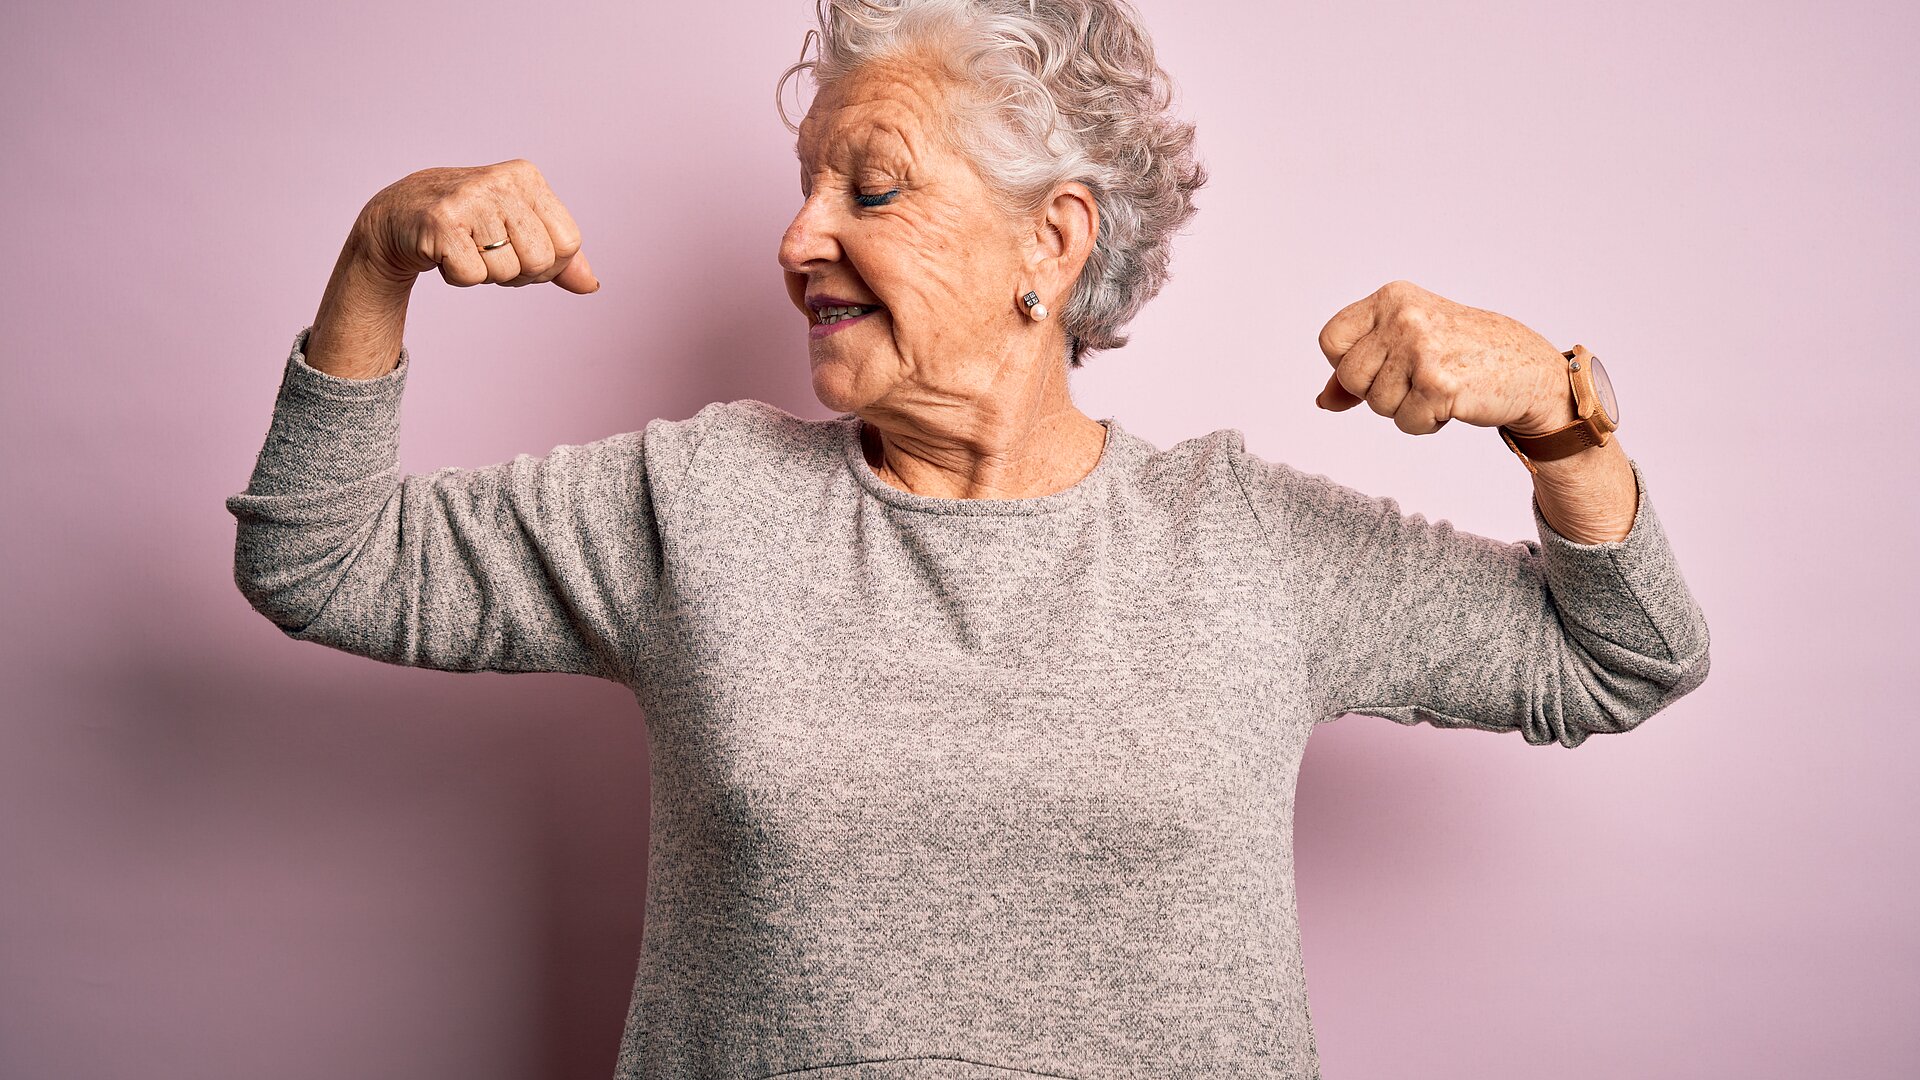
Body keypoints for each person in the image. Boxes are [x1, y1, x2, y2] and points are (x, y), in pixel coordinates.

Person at [224, 1, 1712, 1076]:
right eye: (803, 186)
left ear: (1050, 245)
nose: (800, 237)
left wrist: (1560, 419)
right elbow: (319, 557)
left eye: (869, 187)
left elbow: (1627, 657)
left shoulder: (1244, 545)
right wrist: (379, 252)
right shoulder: (699, 507)